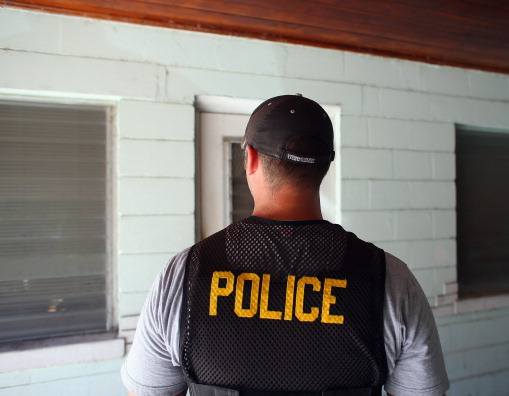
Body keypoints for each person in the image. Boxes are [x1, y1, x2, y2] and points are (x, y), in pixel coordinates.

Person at [121, 94, 450, 396]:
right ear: (325, 167)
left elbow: (149, 391)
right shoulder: (391, 279)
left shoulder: (183, 275)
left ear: (249, 158)